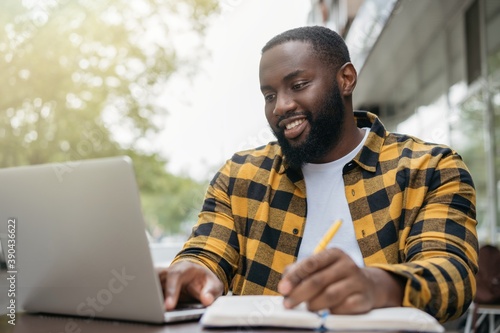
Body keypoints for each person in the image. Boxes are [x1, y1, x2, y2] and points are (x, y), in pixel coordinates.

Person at [159, 26, 478, 322]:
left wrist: (376, 285)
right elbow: (205, 252)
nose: (280, 106)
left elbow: (452, 276)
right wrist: (192, 271)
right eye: (269, 96)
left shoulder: (430, 169)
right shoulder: (239, 176)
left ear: (346, 79)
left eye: (298, 86)